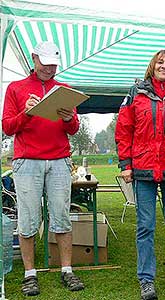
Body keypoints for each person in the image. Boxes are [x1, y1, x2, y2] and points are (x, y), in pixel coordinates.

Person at [2, 41, 84, 296]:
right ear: (34, 58)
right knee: (28, 219)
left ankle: (67, 270)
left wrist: (70, 119)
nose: (50, 69)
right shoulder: (16, 89)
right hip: (27, 161)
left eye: (53, 64)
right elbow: (7, 127)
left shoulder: (65, 89)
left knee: (61, 217)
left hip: (59, 160)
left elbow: (73, 129)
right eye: (45, 63)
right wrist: (27, 114)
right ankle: (30, 274)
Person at [115, 50, 165, 300]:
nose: (164, 66)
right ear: (152, 66)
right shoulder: (136, 93)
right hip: (143, 169)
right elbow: (124, 129)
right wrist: (125, 164)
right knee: (145, 227)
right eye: (160, 62)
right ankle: (146, 280)